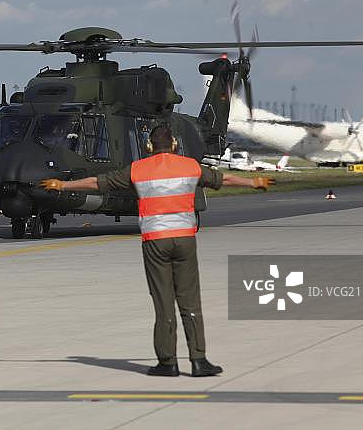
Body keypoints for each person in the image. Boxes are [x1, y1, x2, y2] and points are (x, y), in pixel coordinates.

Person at [40, 124, 275, 378]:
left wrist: (62, 185)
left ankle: (167, 362)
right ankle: (199, 361)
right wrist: (254, 182)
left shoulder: (137, 169)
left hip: (155, 241)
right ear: (174, 144)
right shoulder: (190, 166)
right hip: (184, 239)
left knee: (163, 303)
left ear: (149, 146)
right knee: (190, 301)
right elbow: (224, 178)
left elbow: (97, 183)